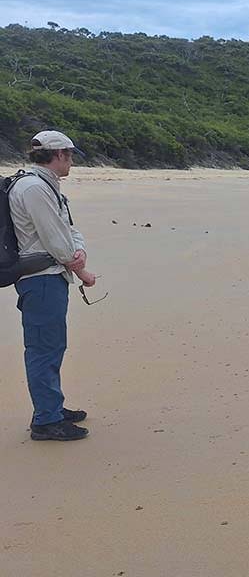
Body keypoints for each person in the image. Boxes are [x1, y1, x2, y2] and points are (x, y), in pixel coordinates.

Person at [8, 130, 98, 441]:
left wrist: (77, 251)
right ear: (58, 154)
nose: (71, 161)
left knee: (51, 345)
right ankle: (46, 421)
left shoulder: (42, 185)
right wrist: (81, 269)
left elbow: (67, 229)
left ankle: (52, 408)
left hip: (48, 276)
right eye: (70, 155)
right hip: (42, 278)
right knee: (44, 348)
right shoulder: (34, 188)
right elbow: (56, 239)